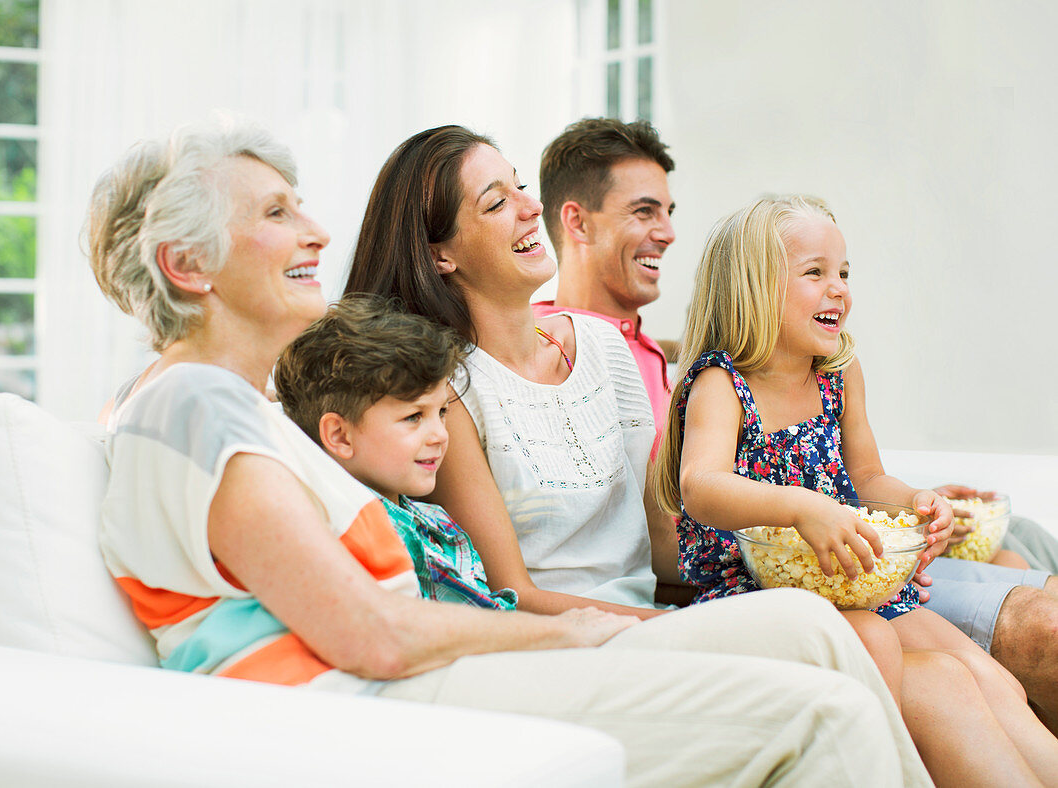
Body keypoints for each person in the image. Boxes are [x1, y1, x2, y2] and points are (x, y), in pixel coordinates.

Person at [87, 119, 930, 787]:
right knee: (824, 711)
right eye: (276, 213)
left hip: (432, 672)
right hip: (379, 707)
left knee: (813, 630)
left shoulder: (245, 408)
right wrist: (562, 636)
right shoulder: (187, 404)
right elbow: (373, 633)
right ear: (185, 266)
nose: (314, 230)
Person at [652, 193, 1058, 782]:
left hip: (852, 577)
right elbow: (701, 486)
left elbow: (866, 478)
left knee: (984, 674)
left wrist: (917, 503)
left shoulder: (838, 373)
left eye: (843, 272)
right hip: (759, 589)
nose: (838, 287)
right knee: (882, 645)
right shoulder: (721, 381)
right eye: (814, 273)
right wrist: (802, 507)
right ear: (752, 288)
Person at [273, 295, 516, 610]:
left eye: (441, 412)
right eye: (413, 417)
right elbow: (490, 624)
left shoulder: (435, 520)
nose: (440, 435)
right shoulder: (356, 534)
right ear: (340, 435)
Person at [533, 117, 674, 457]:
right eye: (644, 211)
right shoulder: (531, 347)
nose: (668, 234)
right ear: (578, 222)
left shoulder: (650, 349)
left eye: (669, 213)